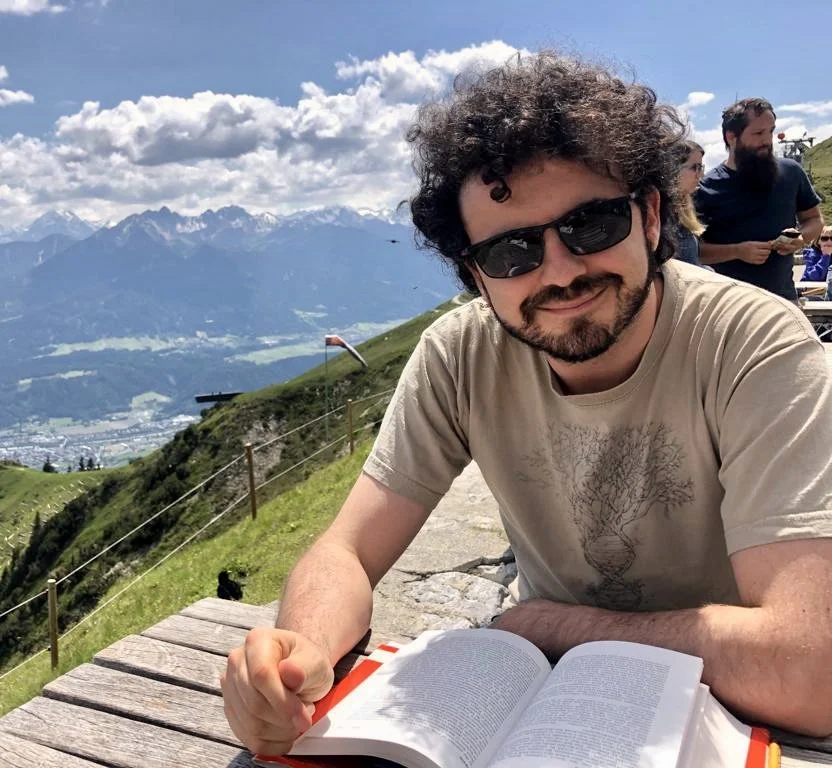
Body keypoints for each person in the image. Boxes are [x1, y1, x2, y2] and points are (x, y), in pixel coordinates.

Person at [222, 53, 832, 756]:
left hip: (732, 714)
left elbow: (810, 675)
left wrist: (552, 625)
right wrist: (298, 656)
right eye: (511, 253)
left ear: (650, 215)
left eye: (592, 224)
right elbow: (347, 550)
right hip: (549, 706)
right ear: (475, 276)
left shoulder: (751, 343)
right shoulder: (459, 355)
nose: (561, 271)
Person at [694, 97, 825, 300]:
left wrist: (801, 239)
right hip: (727, 305)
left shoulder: (791, 172)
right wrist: (737, 251)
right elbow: (695, 251)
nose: (767, 140)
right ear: (731, 137)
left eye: (771, 131)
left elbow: (814, 220)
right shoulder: (705, 187)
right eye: (758, 133)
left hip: (783, 300)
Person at [672, 139, 706, 266]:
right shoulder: (661, 214)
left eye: (701, 167)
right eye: (695, 168)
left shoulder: (681, 209)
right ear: (673, 168)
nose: (700, 175)